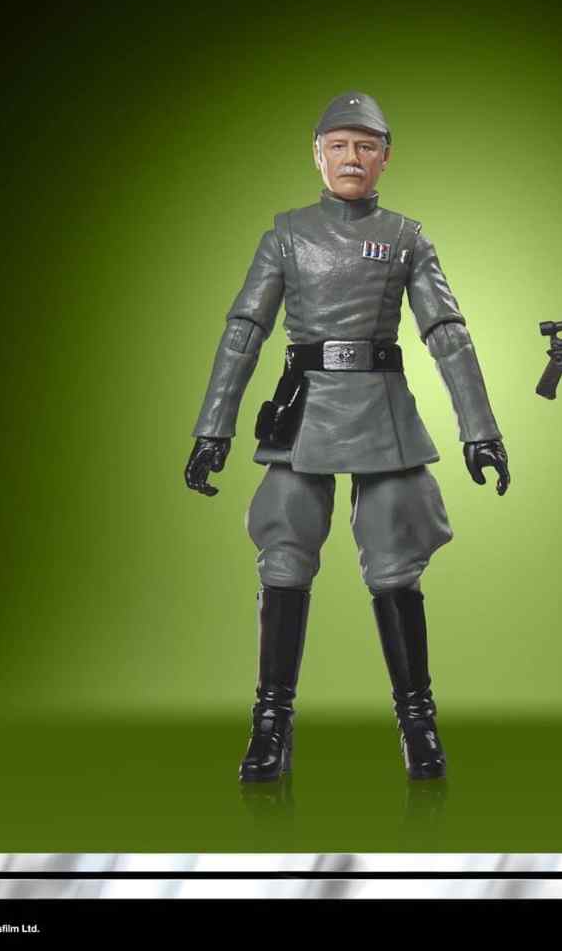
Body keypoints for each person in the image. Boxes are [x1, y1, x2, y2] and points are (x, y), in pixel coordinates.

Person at [185, 91, 509, 782]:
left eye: (365, 146)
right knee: (284, 550)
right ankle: (270, 722)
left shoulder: (406, 237)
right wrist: (213, 426)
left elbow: (446, 332)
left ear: (386, 157)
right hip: (304, 409)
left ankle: (418, 722)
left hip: (381, 408)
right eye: (338, 146)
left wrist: (480, 429)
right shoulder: (286, 235)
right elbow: (245, 330)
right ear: (318, 155)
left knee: (395, 556)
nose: (351, 158)